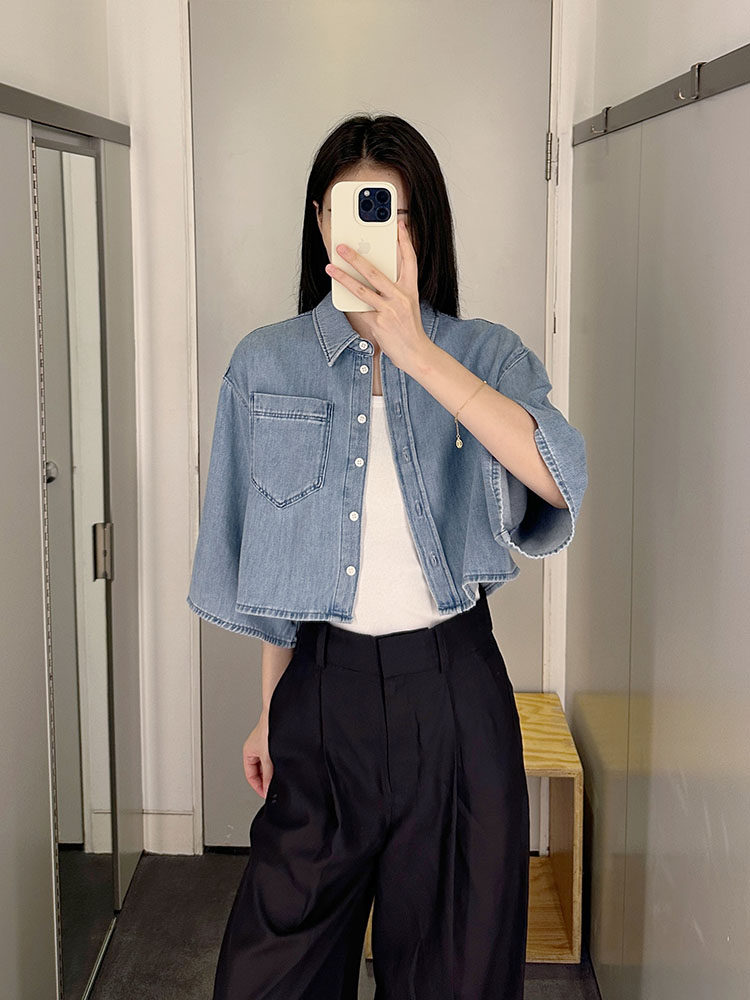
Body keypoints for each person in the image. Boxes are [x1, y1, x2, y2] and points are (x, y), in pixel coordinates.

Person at [187, 113, 588, 1000]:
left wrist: (415, 350)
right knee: (268, 977)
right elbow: (276, 569)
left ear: (422, 226)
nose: (373, 235)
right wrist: (270, 711)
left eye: (394, 212)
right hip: (319, 692)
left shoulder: (483, 352)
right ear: (320, 222)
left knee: (455, 976)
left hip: (454, 701)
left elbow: (561, 476)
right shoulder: (265, 365)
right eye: (353, 210)